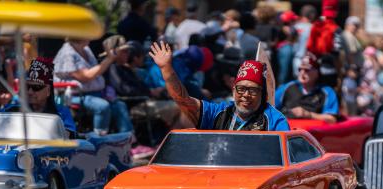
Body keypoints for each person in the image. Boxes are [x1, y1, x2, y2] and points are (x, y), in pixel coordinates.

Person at [148, 41, 289, 131]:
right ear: (233, 90)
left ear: (262, 93)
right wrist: (166, 68)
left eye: (252, 90)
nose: (246, 95)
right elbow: (183, 100)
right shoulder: (218, 112)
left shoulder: (275, 120)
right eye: (241, 89)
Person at [53, 38, 133, 135]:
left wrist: (110, 57)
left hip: (93, 94)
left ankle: (127, 139)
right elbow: (86, 76)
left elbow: (95, 72)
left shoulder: (86, 49)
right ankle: (99, 139)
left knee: (119, 105)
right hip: (72, 96)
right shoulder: (67, 53)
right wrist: (109, 59)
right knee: (102, 106)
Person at [2, 57, 77, 136]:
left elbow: (66, 138)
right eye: (27, 86)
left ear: (48, 91)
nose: (30, 92)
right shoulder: (11, 110)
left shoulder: (62, 113)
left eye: (36, 88)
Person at [275, 53, 339, 123]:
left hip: (313, 131)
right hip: (288, 130)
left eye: (307, 70)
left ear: (317, 72)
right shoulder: (288, 87)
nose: (302, 73)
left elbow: (332, 119)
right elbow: (270, 107)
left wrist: (308, 114)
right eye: (300, 69)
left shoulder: (327, 92)